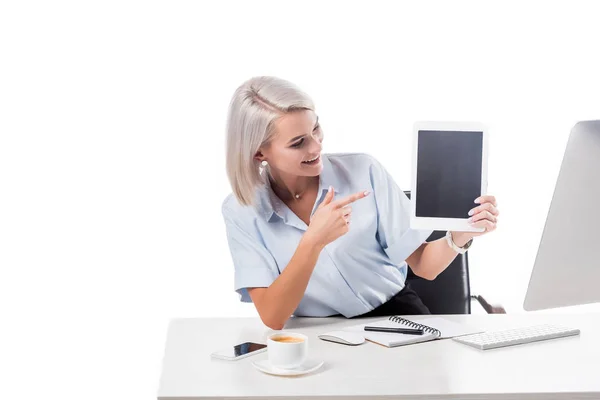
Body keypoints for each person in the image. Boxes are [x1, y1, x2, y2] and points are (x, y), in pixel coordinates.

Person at [221, 76, 499, 330]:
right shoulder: (241, 211)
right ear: (259, 153)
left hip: (398, 316)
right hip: (317, 332)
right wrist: (313, 241)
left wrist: (461, 234)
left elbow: (424, 266)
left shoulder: (363, 171)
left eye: (316, 128)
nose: (316, 146)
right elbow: (273, 316)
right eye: (298, 143)